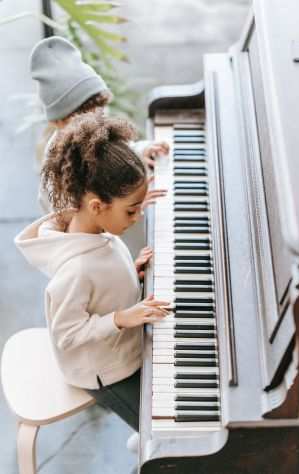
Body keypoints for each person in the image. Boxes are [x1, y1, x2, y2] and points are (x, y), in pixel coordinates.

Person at [15, 112, 170, 459]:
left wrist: (133, 271)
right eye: (131, 211)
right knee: (163, 432)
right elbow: (67, 335)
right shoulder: (75, 270)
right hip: (105, 371)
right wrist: (121, 318)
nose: (138, 217)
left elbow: (102, 282)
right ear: (98, 206)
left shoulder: (97, 229)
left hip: (123, 346)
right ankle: (146, 447)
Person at [29, 35, 169, 214]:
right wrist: (132, 208)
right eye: (83, 115)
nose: (95, 119)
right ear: (57, 121)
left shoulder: (97, 130)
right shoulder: (58, 175)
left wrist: (140, 151)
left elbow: (118, 151)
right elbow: (79, 228)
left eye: (100, 109)